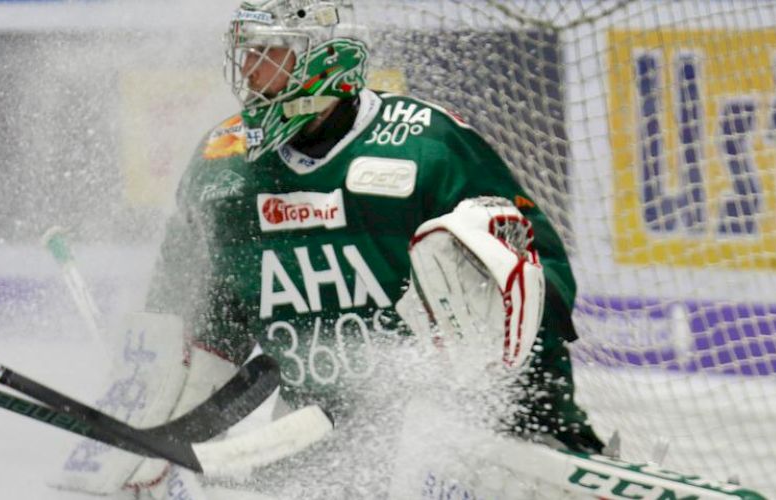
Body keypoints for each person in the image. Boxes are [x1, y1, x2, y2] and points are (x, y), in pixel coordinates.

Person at [68, 0, 609, 496]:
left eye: (270, 56)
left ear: (327, 61)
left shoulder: (426, 144)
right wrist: (156, 422)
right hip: (312, 437)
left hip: (472, 437)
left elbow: (538, 272)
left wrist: (536, 413)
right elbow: (192, 319)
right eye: (248, 56)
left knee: (470, 241)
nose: (252, 74)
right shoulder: (222, 166)